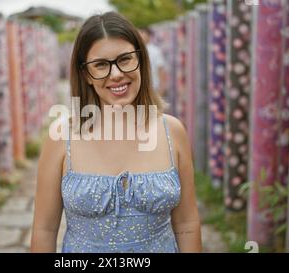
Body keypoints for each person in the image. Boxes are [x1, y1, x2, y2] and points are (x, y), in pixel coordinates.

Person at [30, 12, 201, 253]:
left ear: (141, 60)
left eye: (125, 59)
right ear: (86, 75)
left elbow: (187, 224)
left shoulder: (172, 131)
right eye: (101, 65)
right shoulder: (61, 136)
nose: (116, 73)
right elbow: (44, 230)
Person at [139, 27, 168, 98]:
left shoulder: (155, 51)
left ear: (148, 36)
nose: (140, 35)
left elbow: (161, 70)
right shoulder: (135, 50)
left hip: (153, 88)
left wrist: (162, 88)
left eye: (142, 33)